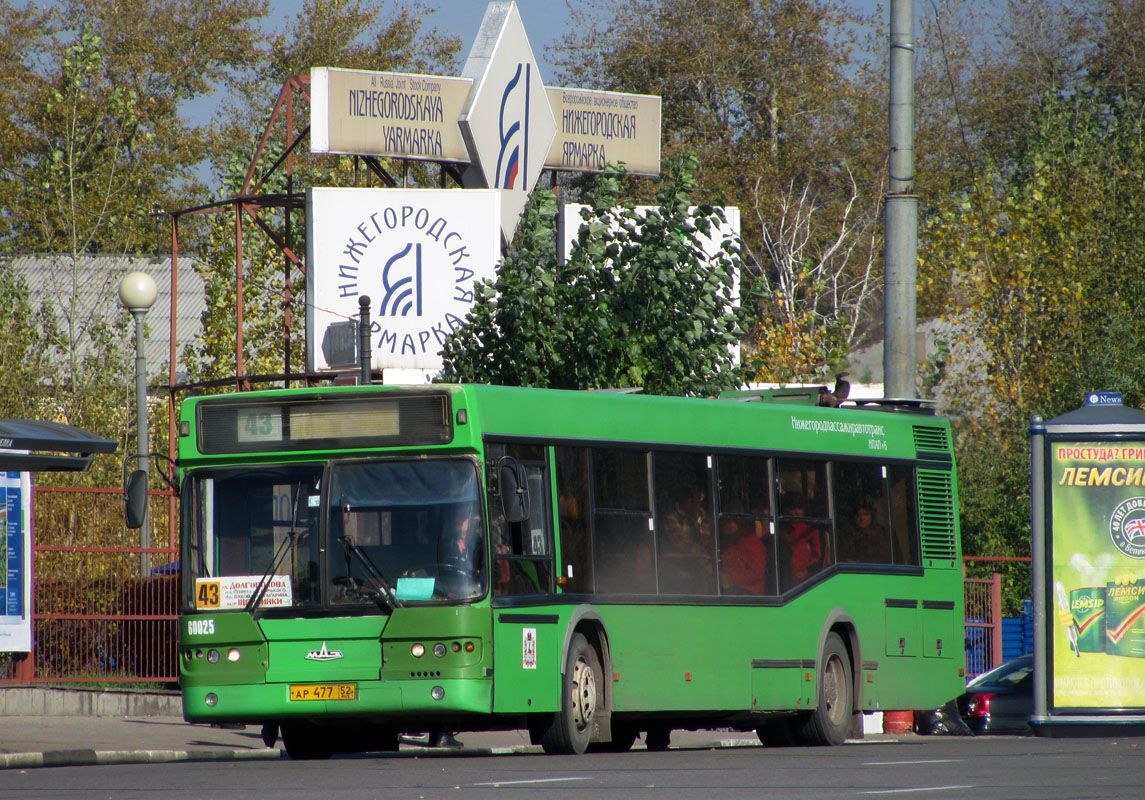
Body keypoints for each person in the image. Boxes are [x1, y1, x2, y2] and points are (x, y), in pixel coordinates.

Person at [780, 494, 825, 586]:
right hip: (785, 581)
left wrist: (805, 573)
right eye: (793, 508)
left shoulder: (811, 532)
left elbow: (819, 558)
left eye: (799, 508)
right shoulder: (780, 531)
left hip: (806, 583)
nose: (796, 512)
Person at [720, 518, 770, 595]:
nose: (727, 526)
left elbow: (757, 572)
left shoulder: (754, 544)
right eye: (725, 523)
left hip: (747, 593)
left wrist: (729, 577)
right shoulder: (730, 543)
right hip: (729, 588)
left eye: (730, 523)